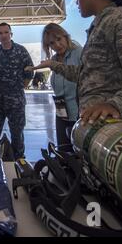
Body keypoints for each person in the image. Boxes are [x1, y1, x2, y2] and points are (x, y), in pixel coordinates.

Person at [0, 22, 34, 160]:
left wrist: (16, 88)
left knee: (17, 134)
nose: (3, 35)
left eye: (6, 32)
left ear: (11, 34)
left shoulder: (21, 51)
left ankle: (19, 164)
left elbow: (29, 74)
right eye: (0, 33)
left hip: (16, 102)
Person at [42, 23, 82, 151]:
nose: (57, 45)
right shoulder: (54, 60)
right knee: (64, 153)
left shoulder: (79, 53)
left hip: (80, 115)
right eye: (52, 43)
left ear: (66, 37)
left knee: (80, 155)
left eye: (59, 39)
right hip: (62, 114)